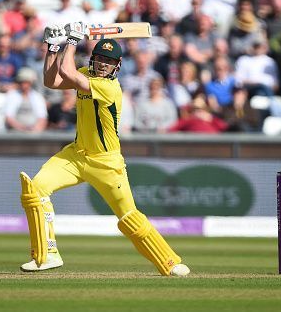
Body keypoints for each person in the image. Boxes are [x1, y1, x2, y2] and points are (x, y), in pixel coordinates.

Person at [18, 22, 190, 277]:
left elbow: (67, 71)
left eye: (107, 62)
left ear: (117, 67)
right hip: (76, 155)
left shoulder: (109, 87)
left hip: (107, 163)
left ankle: (169, 262)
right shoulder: (86, 73)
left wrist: (72, 40)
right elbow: (51, 81)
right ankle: (47, 255)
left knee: (129, 217)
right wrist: (53, 47)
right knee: (36, 188)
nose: (101, 64)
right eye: (98, 59)